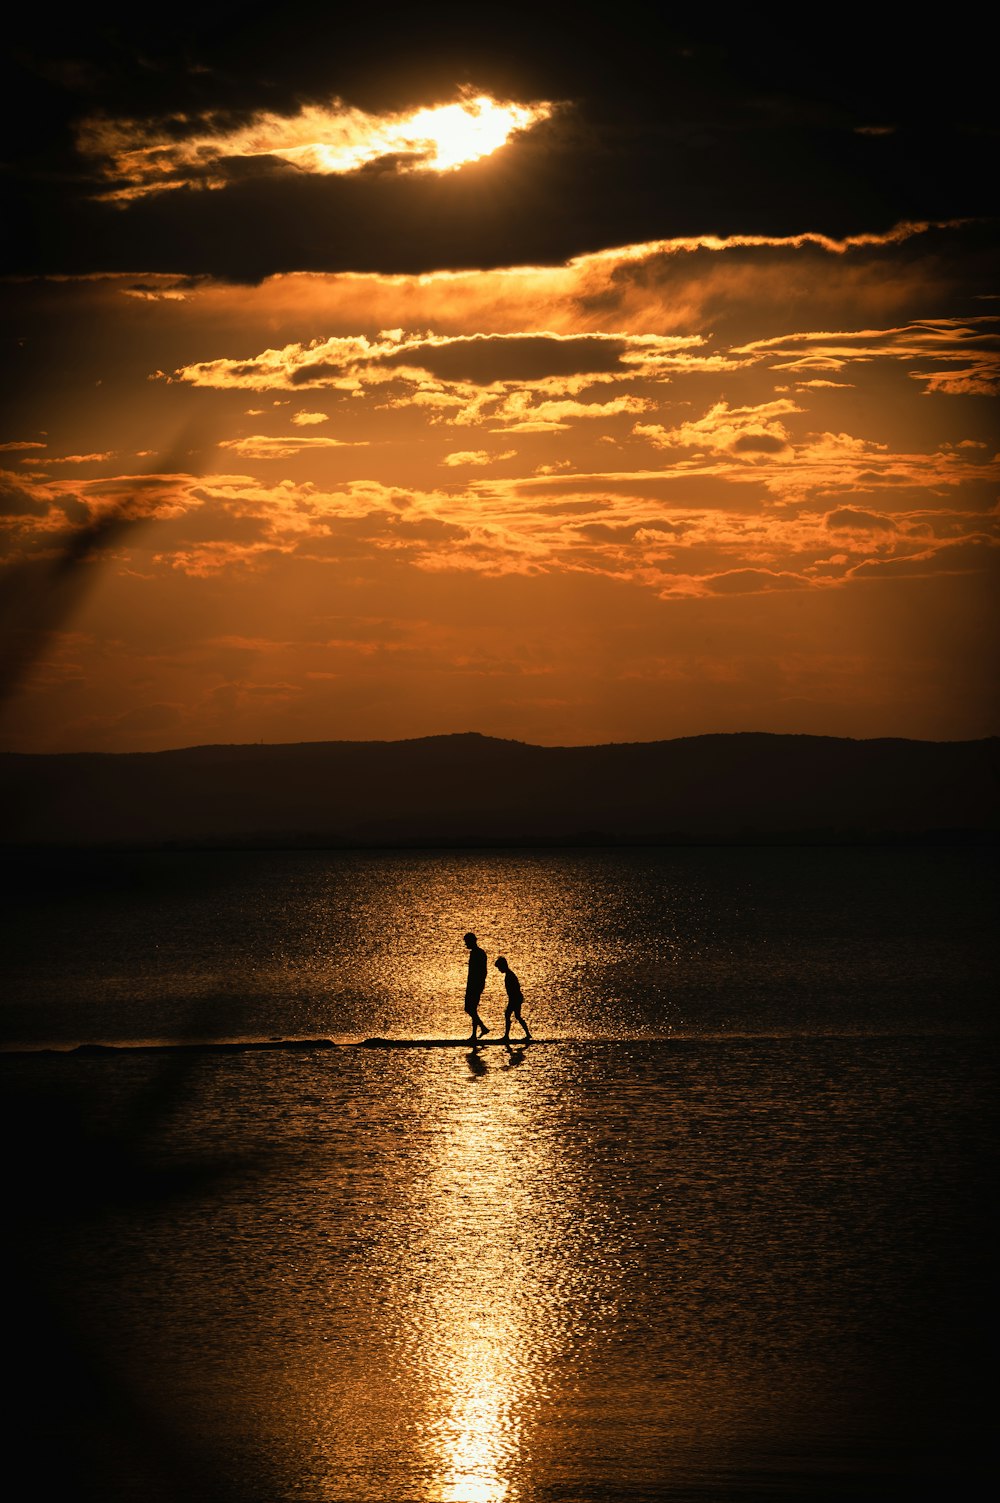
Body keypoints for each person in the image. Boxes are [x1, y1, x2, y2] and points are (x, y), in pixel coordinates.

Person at [494, 955, 532, 1043]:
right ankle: (527, 1034)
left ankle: (507, 1036)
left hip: (515, 998)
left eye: (499, 968)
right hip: (515, 998)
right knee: (516, 1016)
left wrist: (513, 1000)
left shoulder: (510, 975)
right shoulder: (509, 974)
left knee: (509, 1015)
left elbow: (515, 988)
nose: (499, 970)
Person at [463, 931, 490, 1042]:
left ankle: (482, 1028)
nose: (465, 944)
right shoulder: (475, 953)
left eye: (466, 942)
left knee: (469, 1008)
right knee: (472, 1008)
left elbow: (482, 971)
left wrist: (479, 985)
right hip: (472, 985)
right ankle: (476, 1033)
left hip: (475, 985)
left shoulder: (478, 953)